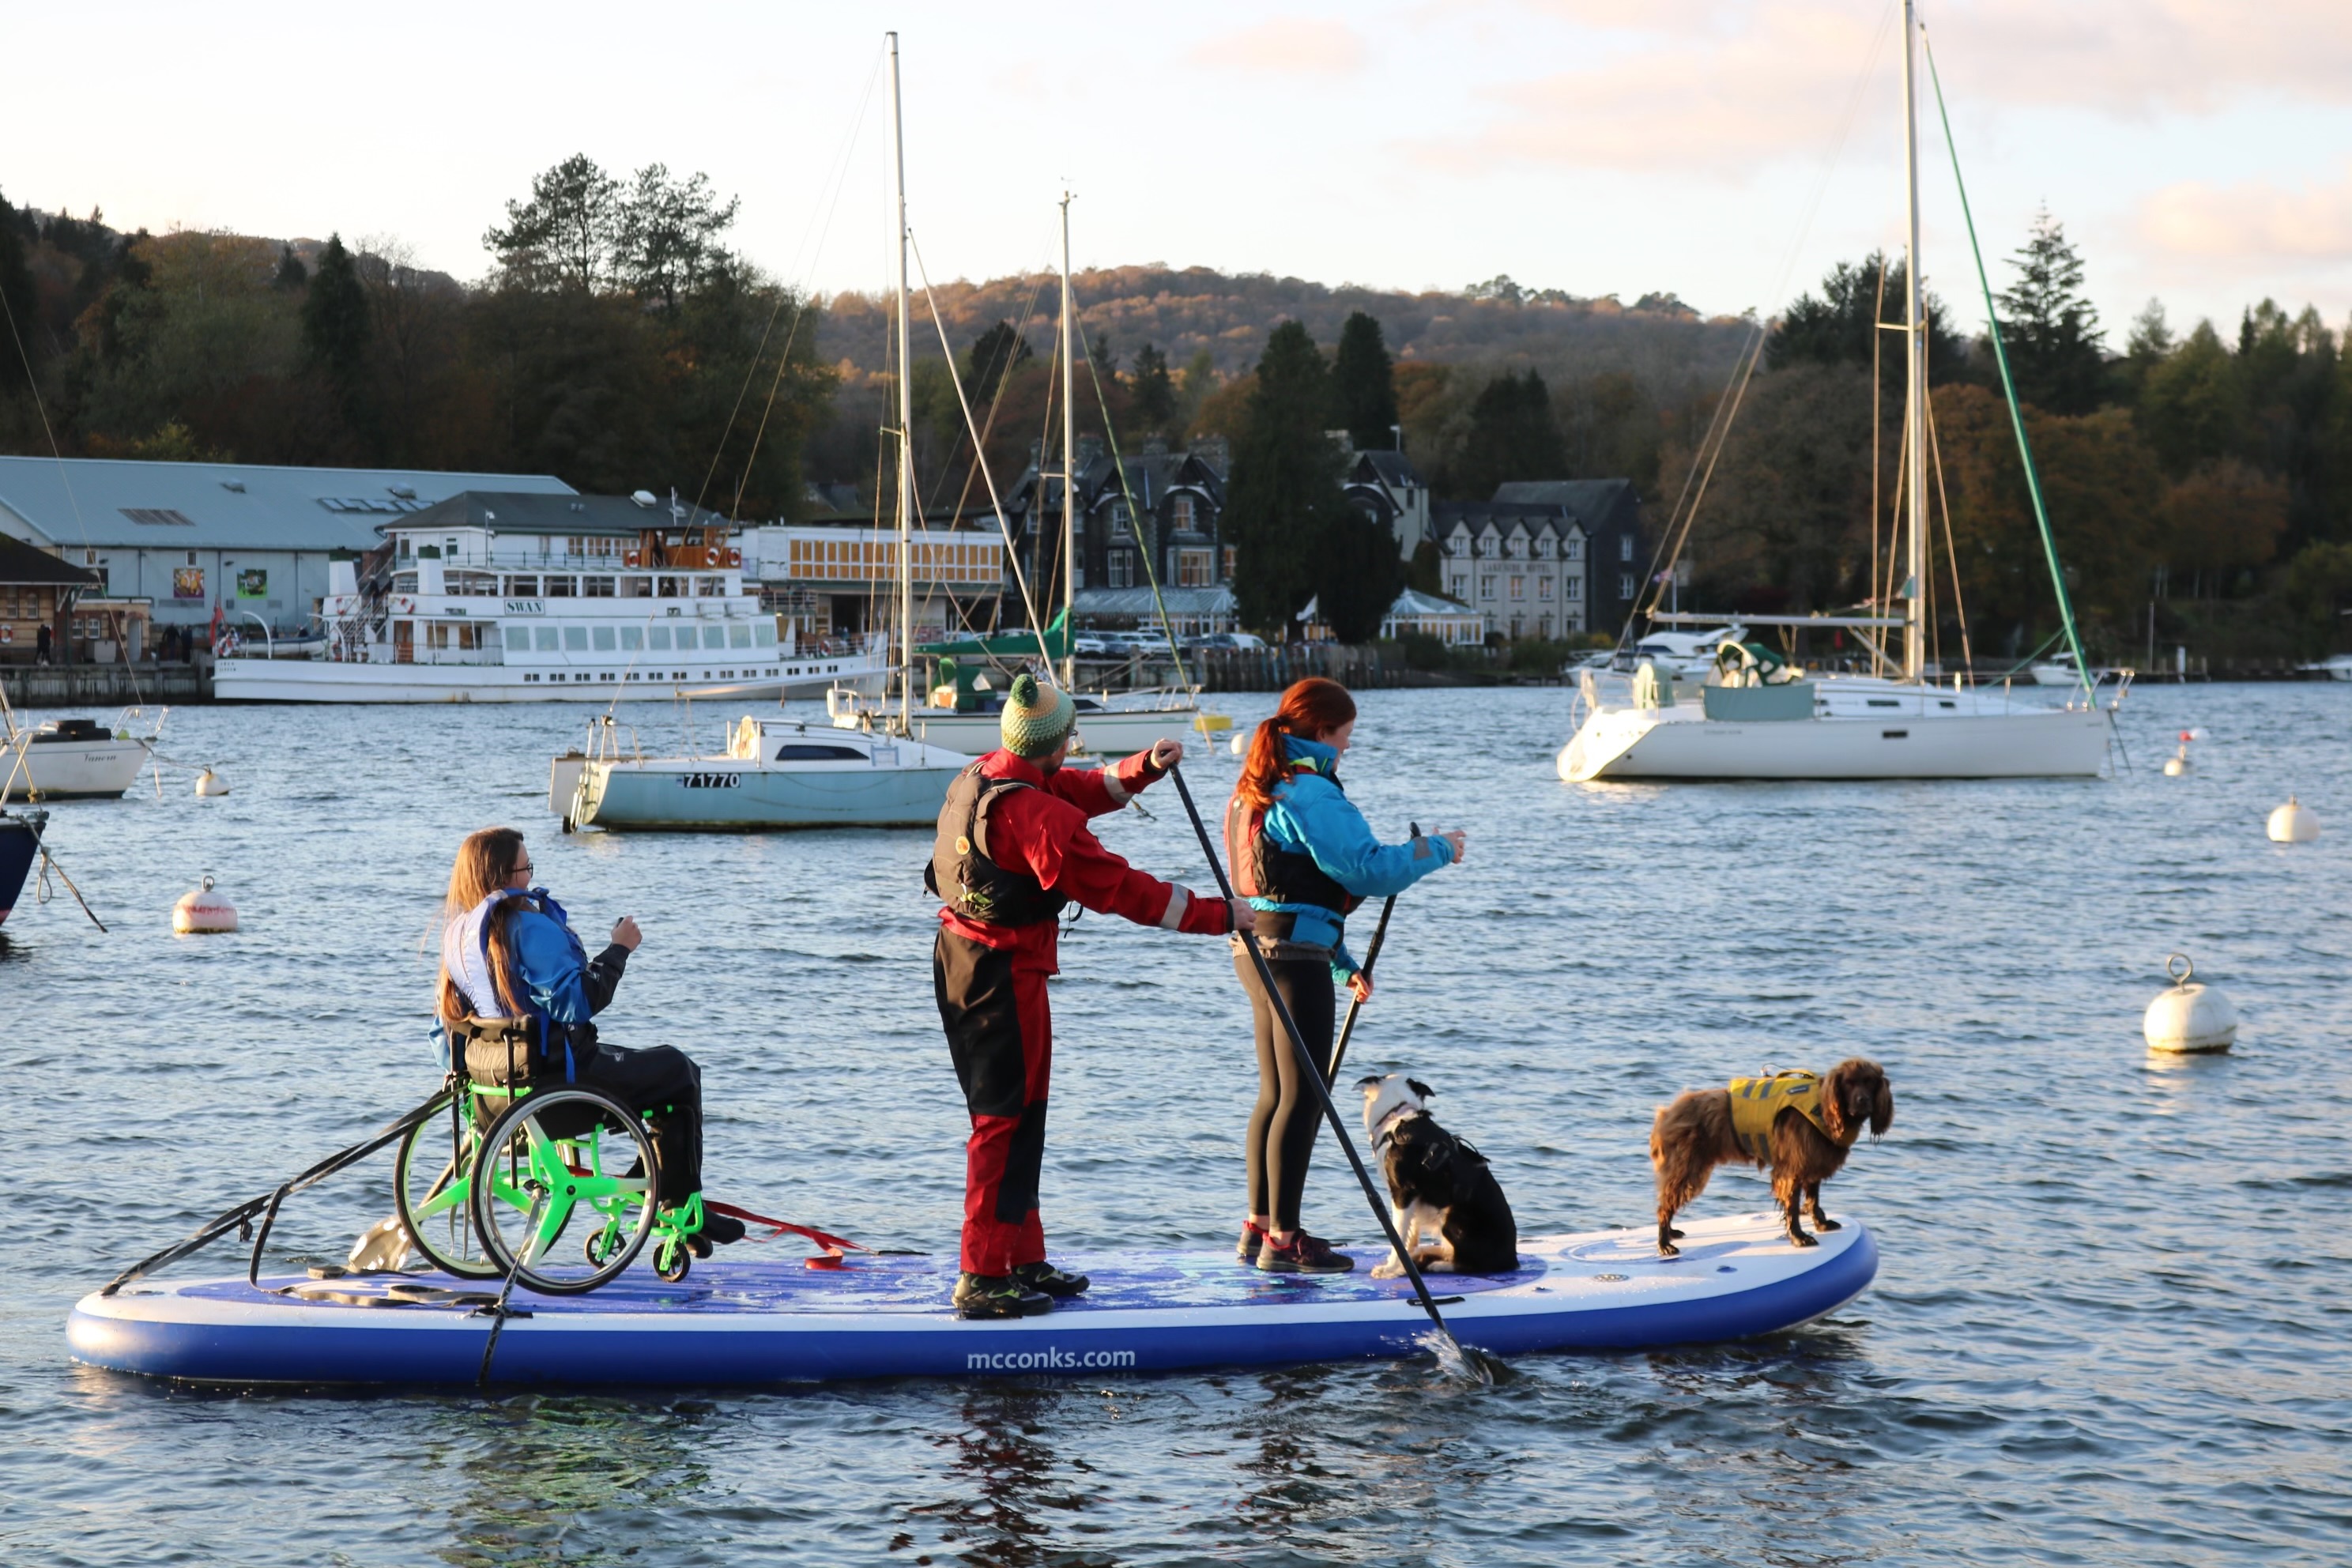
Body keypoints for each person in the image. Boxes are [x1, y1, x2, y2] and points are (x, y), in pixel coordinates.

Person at [929, 672, 1250, 1319]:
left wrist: (1142, 770)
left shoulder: (988, 773)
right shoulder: (1035, 813)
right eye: (1069, 738)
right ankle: (981, 1274)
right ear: (1052, 743)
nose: (1072, 750)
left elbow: (1077, 788)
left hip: (971, 959)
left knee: (1027, 1114)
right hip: (999, 976)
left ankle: (1021, 1256)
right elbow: (1121, 890)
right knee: (1001, 1122)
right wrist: (1223, 916)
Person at [1226, 677, 1464, 1274]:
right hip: (1291, 962)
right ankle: (1283, 1240)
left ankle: (1258, 1229)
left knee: (1276, 1095)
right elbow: (1365, 869)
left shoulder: (1255, 789)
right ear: (1324, 732)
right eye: (1347, 735)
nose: (1349, 747)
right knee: (1303, 1098)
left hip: (1257, 954)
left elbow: (1291, 889)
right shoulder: (1309, 792)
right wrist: (1439, 849)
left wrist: (1341, 962)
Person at [434, 826, 743, 1252]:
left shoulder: (459, 939)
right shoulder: (528, 929)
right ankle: (674, 1199)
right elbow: (577, 1001)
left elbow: (443, 1031)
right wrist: (619, 949)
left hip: (494, 1099)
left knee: (665, 1076)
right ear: (507, 874)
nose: (530, 876)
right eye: (527, 867)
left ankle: (664, 1185)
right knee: (678, 1070)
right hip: (558, 1090)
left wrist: (474, 1080)